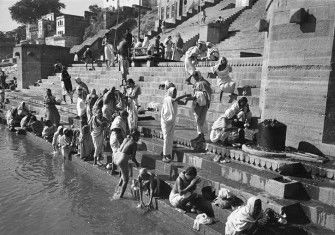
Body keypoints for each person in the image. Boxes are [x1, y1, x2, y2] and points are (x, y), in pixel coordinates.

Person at [161, 86, 189, 162]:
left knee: (170, 138)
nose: (175, 93)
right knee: (166, 138)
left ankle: (168, 154)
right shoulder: (167, 98)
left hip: (171, 121)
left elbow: (183, 103)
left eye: (176, 92)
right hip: (166, 121)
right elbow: (176, 99)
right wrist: (185, 95)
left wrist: (188, 99)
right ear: (170, 92)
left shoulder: (173, 100)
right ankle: (164, 155)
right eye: (174, 92)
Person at [186, 72, 212, 145]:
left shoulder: (204, 83)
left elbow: (208, 93)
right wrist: (191, 75)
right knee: (197, 119)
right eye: (194, 77)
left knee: (201, 120)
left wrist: (208, 102)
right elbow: (187, 81)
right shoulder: (197, 82)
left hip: (203, 104)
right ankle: (200, 135)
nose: (195, 78)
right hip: (197, 103)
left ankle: (201, 136)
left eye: (196, 77)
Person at [113, 130, 140, 198]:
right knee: (126, 180)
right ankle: (120, 196)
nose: (139, 138)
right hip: (122, 159)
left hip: (116, 156)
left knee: (123, 173)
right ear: (135, 137)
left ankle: (117, 190)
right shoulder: (134, 144)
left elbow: (126, 149)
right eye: (138, 137)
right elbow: (133, 158)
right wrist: (137, 164)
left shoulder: (126, 139)